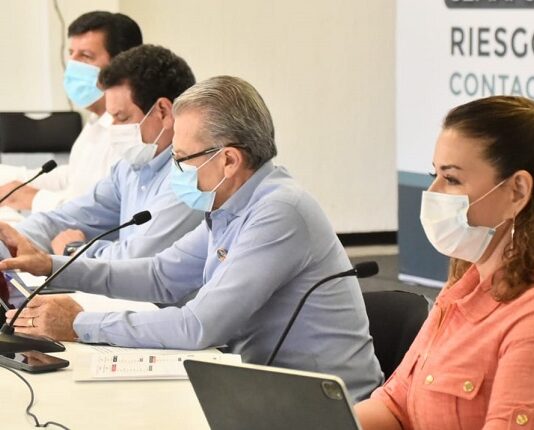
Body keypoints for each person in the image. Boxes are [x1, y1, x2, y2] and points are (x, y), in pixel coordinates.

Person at [1, 76, 382, 401]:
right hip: (262, 385)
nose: (175, 170)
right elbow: (161, 276)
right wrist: (51, 266)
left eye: (182, 159)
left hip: (321, 404)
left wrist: (80, 323)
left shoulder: (279, 211)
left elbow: (199, 325)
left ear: (229, 160)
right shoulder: (231, 205)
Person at [355, 95, 534, 429]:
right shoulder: (460, 290)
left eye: (451, 179)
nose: (433, 192)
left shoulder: (527, 319)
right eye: (433, 174)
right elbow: (395, 405)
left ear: (517, 192)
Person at [14, 44, 202, 259]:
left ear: (163, 112)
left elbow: (135, 261)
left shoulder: (191, 175)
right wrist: (10, 239)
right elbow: (66, 219)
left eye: (122, 117)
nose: (113, 128)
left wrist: (74, 250)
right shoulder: (129, 169)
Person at [0, 11, 142, 213]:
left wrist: (34, 199)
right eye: (71, 54)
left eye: (85, 56)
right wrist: (13, 181)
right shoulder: (96, 119)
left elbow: (103, 212)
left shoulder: (128, 131)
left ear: (121, 65)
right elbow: (73, 177)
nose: (72, 65)